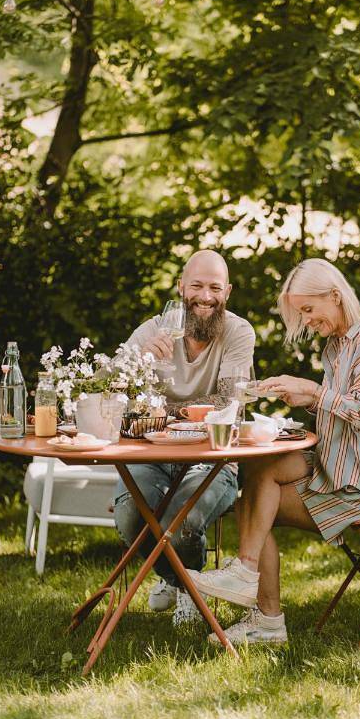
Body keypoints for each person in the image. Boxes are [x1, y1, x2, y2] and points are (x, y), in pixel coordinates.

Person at [188, 257, 360, 644]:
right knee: (262, 470)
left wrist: (315, 392)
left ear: (335, 296)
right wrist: (306, 400)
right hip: (343, 468)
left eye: (308, 310)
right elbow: (342, 409)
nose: (306, 321)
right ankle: (249, 582)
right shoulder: (338, 346)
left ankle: (265, 615)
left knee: (255, 503)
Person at [114, 249, 255, 626]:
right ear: (181, 287)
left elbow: (229, 400)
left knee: (184, 521)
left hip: (213, 458)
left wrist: (167, 413)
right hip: (152, 456)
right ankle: (182, 581)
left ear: (228, 292)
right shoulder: (154, 329)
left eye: (214, 288)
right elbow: (110, 388)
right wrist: (138, 360)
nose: (205, 296)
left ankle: (184, 588)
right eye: (197, 286)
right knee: (130, 515)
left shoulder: (238, 332)